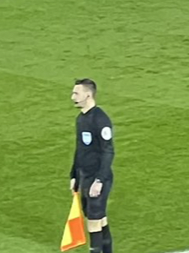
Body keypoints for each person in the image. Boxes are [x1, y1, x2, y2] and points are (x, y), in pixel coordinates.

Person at [70, 79, 115, 253]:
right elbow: (80, 148)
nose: (72, 97)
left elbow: (108, 151)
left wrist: (99, 180)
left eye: (76, 93)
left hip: (98, 178)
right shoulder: (81, 119)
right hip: (85, 176)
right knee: (98, 218)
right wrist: (74, 175)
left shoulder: (100, 120)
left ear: (87, 95)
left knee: (93, 222)